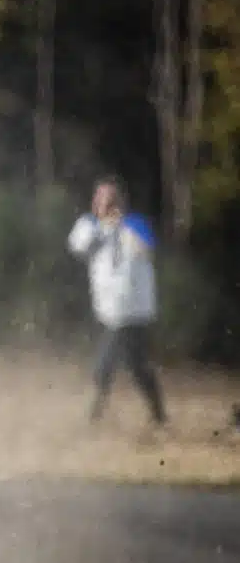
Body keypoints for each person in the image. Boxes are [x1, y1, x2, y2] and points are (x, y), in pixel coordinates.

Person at [67, 177, 166, 425]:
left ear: (121, 201)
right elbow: (78, 247)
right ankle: (159, 415)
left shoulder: (135, 225)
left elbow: (146, 249)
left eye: (112, 200)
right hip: (107, 310)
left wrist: (120, 226)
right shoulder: (88, 226)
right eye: (102, 199)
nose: (107, 205)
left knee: (105, 364)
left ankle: (94, 417)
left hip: (134, 310)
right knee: (137, 367)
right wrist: (104, 228)